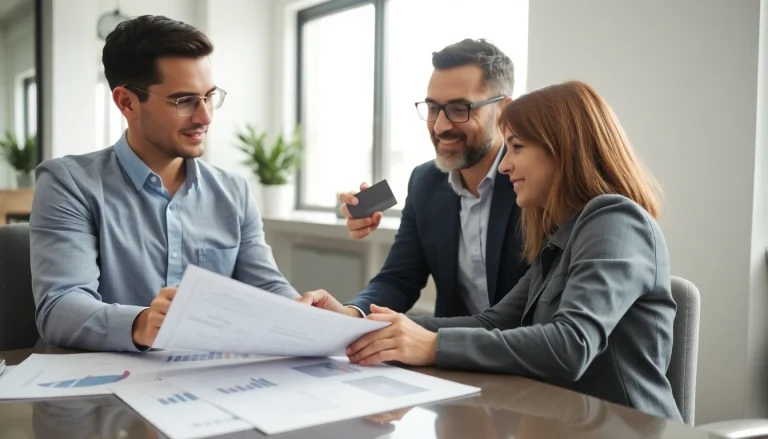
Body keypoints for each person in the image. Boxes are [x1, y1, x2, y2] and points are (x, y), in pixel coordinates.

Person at [304, 81, 682, 422]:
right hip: (564, 421)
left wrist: (433, 345)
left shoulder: (616, 219)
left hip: (627, 429)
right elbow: (493, 322)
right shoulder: (564, 234)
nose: (505, 165)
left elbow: (571, 345)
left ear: (562, 149)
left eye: (516, 147)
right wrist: (365, 326)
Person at [29, 15, 298, 353]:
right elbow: (60, 308)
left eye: (209, 96)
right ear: (127, 102)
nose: (205, 116)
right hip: (107, 381)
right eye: (185, 101)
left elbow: (268, 289)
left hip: (210, 377)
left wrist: (311, 314)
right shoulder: (69, 184)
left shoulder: (234, 192)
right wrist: (141, 324)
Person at [306, 38, 530, 318]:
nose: (440, 126)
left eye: (460, 109)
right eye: (433, 108)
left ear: (503, 111)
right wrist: (351, 315)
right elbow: (399, 279)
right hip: (448, 346)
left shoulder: (533, 180)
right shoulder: (425, 182)